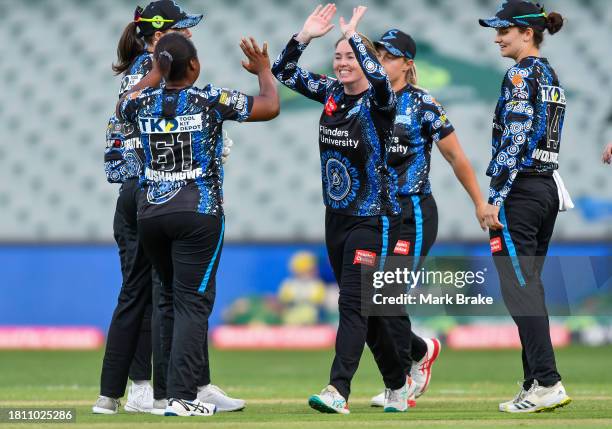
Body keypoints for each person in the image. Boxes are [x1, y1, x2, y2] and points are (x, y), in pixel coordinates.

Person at [117, 32, 279, 416]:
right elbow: (270, 106)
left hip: (151, 214)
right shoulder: (209, 98)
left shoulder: (141, 102)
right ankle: (184, 397)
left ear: (161, 67)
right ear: (195, 66)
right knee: (193, 304)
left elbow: (122, 102)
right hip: (198, 213)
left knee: (170, 300)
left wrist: (155, 72)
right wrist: (264, 71)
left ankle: (169, 395)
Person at [95, 0, 244, 416]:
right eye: (183, 28)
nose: (190, 35)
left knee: (173, 293)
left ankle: (190, 383)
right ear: (159, 34)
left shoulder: (150, 70)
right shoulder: (150, 72)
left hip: (152, 191)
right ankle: (147, 388)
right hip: (148, 191)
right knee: (155, 292)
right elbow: (127, 138)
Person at [272, 4, 410, 414]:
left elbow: (382, 80)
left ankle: (337, 390)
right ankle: (398, 383)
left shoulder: (379, 102)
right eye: (338, 56)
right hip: (336, 218)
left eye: (350, 56)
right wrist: (305, 36)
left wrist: (354, 38)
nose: (343, 62)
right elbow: (284, 72)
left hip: (375, 217)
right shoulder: (332, 94)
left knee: (351, 304)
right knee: (367, 314)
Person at [368, 28, 487, 408]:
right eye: (378, 55)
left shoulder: (423, 103)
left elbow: (456, 157)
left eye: (388, 56)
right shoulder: (365, 99)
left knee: (385, 295)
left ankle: (403, 376)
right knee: (370, 299)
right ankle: (419, 351)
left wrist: (479, 203)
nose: (381, 61)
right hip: (375, 214)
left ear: (407, 63)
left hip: (413, 212)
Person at [479, 0, 572, 413]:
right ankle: (535, 381)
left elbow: (515, 139)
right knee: (526, 287)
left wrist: (493, 197)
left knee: (520, 289)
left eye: (504, 31)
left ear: (527, 33)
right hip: (545, 190)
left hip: (521, 191)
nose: (497, 38)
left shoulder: (518, 74)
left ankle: (548, 383)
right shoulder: (549, 74)